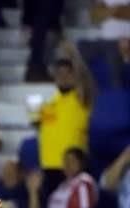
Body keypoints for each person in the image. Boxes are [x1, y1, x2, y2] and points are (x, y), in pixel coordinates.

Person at [33, 43, 95, 186]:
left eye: (68, 73)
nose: (63, 77)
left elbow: (85, 78)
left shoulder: (80, 98)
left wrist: (72, 53)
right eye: (59, 73)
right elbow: (47, 132)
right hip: (49, 168)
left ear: (75, 76)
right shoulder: (49, 104)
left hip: (73, 167)